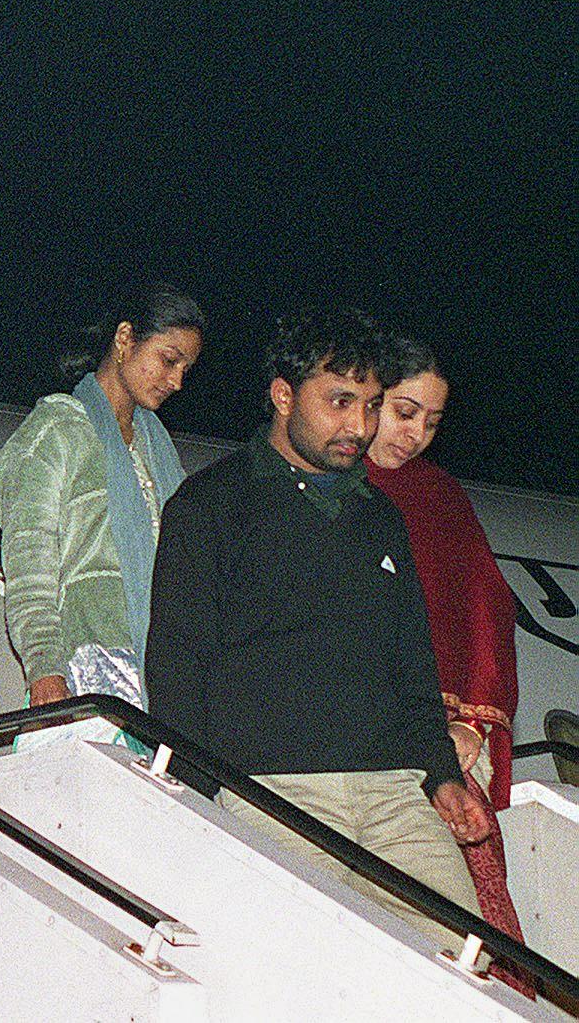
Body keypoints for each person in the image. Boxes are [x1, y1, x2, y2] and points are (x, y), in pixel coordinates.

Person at [145, 310, 491, 956]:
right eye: (339, 402)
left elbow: (413, 662)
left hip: (396, 793)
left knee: (459, 969)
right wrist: (196, 798)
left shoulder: (379, 514)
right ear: (283, 394)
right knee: (299, 970)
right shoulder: (211, 503)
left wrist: (442, 776)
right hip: (273, 793)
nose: (358, 427)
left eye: (369, 405)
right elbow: (177, 661)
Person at [364, 335, 530, 986]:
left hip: (445, 743)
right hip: (350, 745)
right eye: (406, 412)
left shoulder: (441, 498)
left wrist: (471, 724)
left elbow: (488, 609)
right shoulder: (318, 486)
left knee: (468, 922)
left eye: (432, 422)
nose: (417, 435)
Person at [0, 286, 203, 742]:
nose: (177, 381)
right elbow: (30, 564)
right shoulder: (58, 430)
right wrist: (45, 668)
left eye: (187, 368)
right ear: (125, 339)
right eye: (169, 360)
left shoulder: (155, 447)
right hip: (83, 677)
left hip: (154, 683)